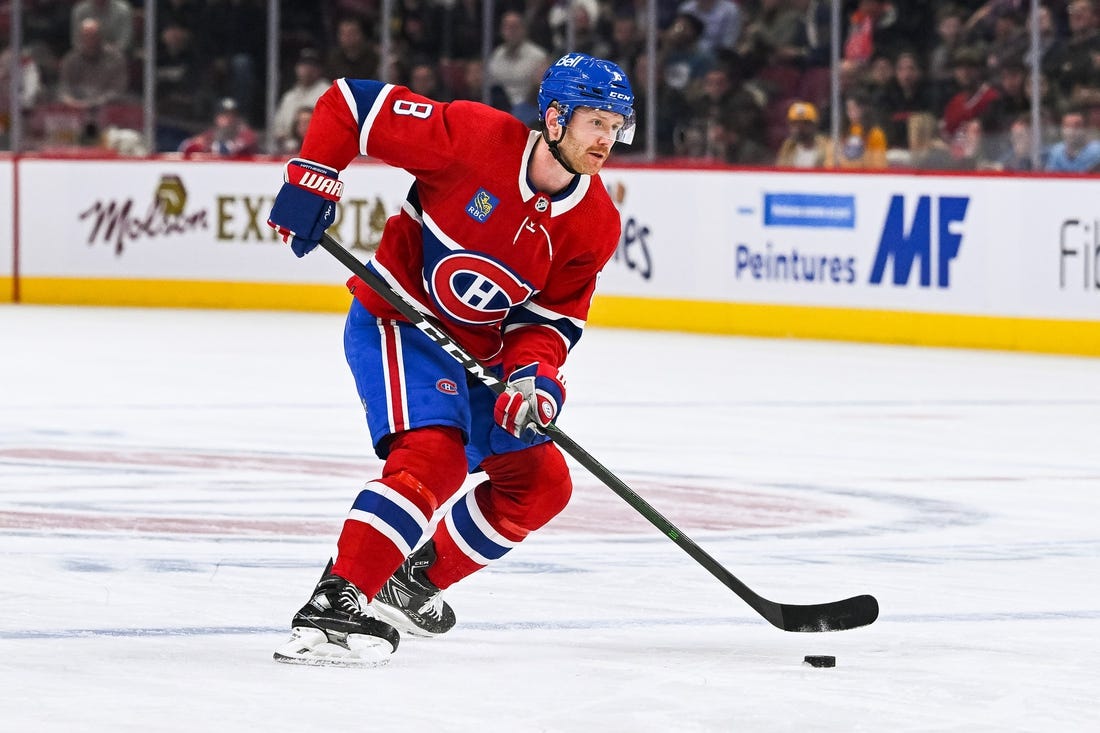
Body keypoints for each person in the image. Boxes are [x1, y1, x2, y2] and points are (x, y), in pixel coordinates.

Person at [265, 52, 636, 665]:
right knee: (433, 457)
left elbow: (548, 321)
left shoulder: (595, 223)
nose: (607, 139)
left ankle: (408, 583)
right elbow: (349, 104)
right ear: (555, 117)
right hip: (399, 321)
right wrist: (313, 176)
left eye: (615, 125)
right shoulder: (472, 137)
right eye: (595, 122)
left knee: (541, 485)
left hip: (478, 353)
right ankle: (335, 602)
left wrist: (533, 380)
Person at [272, 48, 331, 151]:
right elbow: (277, 129)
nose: (307, 69)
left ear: (319, 69)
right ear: (296, 68)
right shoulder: (289, 97)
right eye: (303, 65)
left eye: (312, 65)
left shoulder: (329, 92)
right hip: (289, 150)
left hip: (320, 150)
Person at [177, 97, 258, 156]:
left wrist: (205, 146)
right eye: (224, 114)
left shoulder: (247, 133)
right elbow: (185, 146)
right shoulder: (212, 133)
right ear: (217, 117)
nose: (228, 119)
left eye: (231, 115)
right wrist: (196, 143)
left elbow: (227, 150)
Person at [775, 101, 830, 168]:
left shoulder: (827, 147)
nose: (798, 128)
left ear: (815, 125)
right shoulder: (788, 147)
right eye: (794, 123)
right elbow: (780, 171)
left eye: (804, 123)